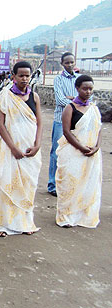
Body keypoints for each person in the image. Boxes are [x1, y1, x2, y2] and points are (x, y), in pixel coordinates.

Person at [0, 61, 43, 237]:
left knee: (27, 186)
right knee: (6, 185)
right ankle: (1, 224)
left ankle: (24, 222)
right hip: (9, 149)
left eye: (27, 76)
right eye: (21, 75)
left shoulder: (34, 97)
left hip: (30, 149)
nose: (24, 79)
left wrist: (37, 144)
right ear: (13, 76)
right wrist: (13, 148)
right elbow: (0, 124)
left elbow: (39, 123)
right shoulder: (5, 96)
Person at [56, 75, 102, 228]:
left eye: (90, 89)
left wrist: (96, 147)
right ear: (77, 89)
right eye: (84, 89)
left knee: (88, 184)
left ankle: (83, 216)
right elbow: (67, 132)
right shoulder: (70, 108)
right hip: (73, 152)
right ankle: (67, 216)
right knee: (71, 183)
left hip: (92, 153)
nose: (88, 92)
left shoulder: (94, 109)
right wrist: (81, 147)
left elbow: (99, 130)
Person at [47, 52, 79, 197]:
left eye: (72, 62)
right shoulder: (58, 79)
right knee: (56, 152)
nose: (70, 65)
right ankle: (52, 184)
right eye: (67, 62)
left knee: (73, 152)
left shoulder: (79, 79)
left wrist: (71, 100)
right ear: (62, 64)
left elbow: (88, 97)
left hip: (77, 122)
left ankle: (68, 183)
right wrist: (76, 102)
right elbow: (60, 100)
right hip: (60, 120)